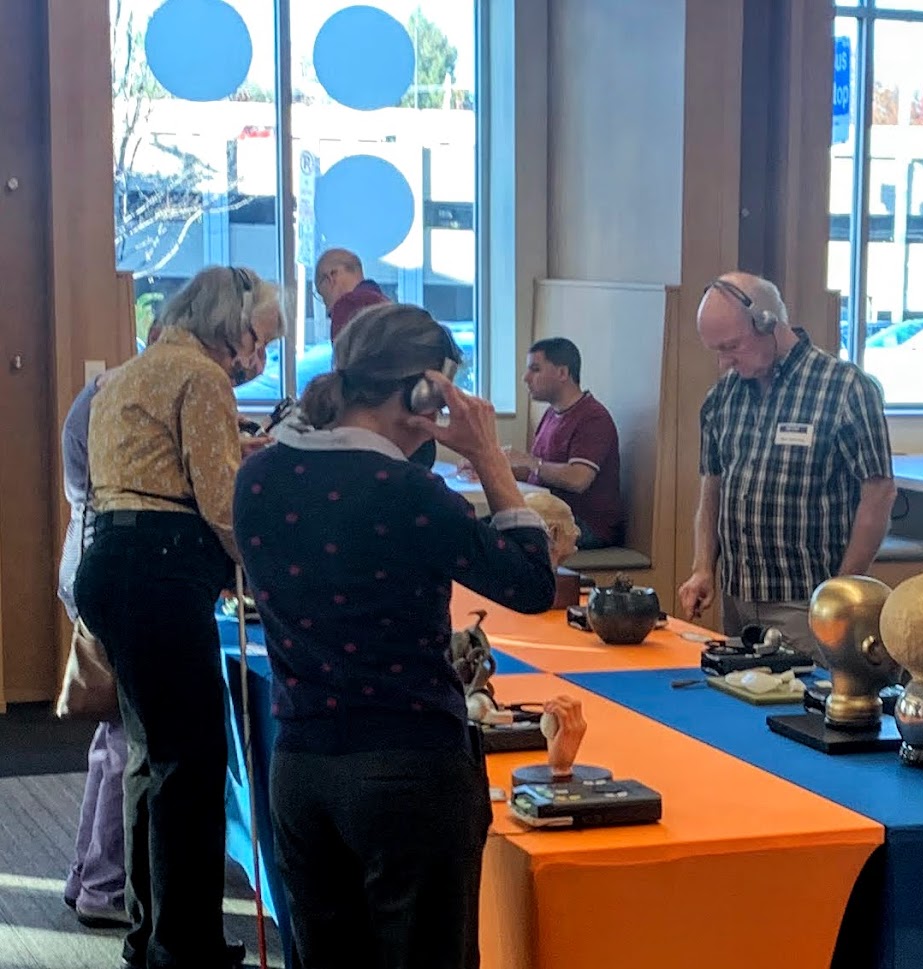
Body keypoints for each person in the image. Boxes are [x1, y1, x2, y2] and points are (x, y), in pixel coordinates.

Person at [232, 302, 555, 969]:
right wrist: (488, 454)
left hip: (301, 764)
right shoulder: (408, 491)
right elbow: (529, 583)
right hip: (408, 768)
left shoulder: (256, 478)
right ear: (420, 392)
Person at [73, 266, 284, 969]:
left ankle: (152, 933)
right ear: (231, 322)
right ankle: (184, 945)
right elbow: (222, 504)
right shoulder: (201, 378)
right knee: (191, 763)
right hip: (161, 568)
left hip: (110, 561)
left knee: (152, 759)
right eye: (256, 338)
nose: (255, 357)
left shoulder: (129, 372)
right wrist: (271, 574)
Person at [677, 272, 895, 650]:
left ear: (767, 323)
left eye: (731, 347)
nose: (724, 363)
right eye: (717, 351)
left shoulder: (844, 388)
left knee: (802, 707)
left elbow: (879, 494)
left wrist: (841, 592)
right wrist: (702, 568)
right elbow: (712, 489)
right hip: (738, 600)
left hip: (808, 603)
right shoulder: (722, 397)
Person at [59, 365, 128, 930]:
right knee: (127, 741)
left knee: (111, 736)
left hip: (83, 558)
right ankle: (102, 887)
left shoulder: (101, 393)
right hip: (105, 564)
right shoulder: (117, 398)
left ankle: (87, 875)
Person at [313, 247, 438, 470]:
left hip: (385, 434)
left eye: (323, 298)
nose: (328, 308)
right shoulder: (387, 306)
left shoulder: (349, 307)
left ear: (331, 277)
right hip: (416, 426)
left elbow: (349, 378)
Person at [501, 338, 625, 549]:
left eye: (535, 369)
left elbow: (578, 479)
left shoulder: (593, 417)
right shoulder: (551, 414)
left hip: (583, 525)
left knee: (498, 538)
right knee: (483, 526)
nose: (526, 378)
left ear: (562, 373)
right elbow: (539, 474)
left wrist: (529, 461)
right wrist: (491, 468)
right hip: (550, 515)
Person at [315, 247, 389, 342]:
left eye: (322, 296)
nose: (327, 310)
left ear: (331, 277)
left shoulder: (346, 308)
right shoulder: (386, 305)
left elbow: (345, 356)